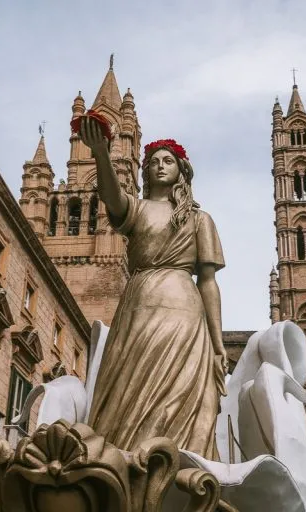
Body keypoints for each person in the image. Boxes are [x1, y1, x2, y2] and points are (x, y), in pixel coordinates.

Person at [77, 115, 227, 459]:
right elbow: (113, 199)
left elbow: (208, 282)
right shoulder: (138, 208)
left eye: (168, 161)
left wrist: (218, 345)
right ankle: (119, 464)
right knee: (126, 387)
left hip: (185, 313)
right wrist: (101, 154)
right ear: (145, 172)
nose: (160, 166)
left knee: (180, 391)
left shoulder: (199, 219)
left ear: (181, 170)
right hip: (139, 304)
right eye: (153, 162)